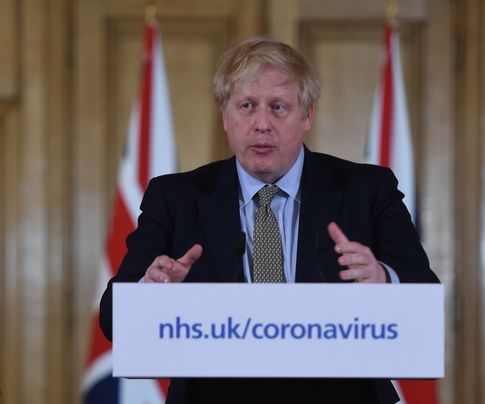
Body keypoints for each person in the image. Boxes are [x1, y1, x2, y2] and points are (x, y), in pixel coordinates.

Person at [99, 37, 439, 404]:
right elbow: (112, 319)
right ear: (225, 117)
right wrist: (150, 296)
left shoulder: (366, 190)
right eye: (247, 106)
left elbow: (427, 300)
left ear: (307, 115)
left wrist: (383, 279)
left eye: (279, 107)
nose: (262, 124)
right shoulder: (177, 198)